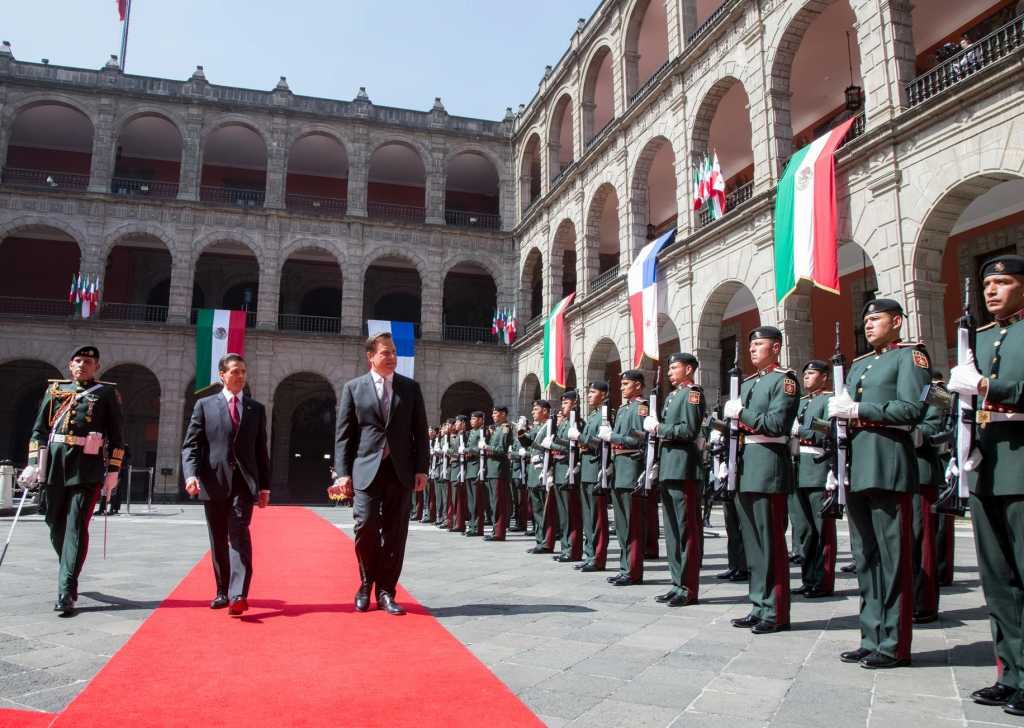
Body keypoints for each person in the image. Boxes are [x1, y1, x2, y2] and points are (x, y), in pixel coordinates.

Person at [829, 298, 931, 668]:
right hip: (856, 466)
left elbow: (910, 409)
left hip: (888, 463)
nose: (868, 325)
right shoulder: (857, 366)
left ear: (898, 322)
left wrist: (858, 410)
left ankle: (893, 643)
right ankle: (870, 634)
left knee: (893, 558)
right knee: (865, 557)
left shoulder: (910, 358)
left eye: (876, 319)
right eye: (866, 319)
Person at [947, 255, 1024, 714]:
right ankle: (1010, 672)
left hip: (1019, 466)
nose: (992, 290)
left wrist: (984, 386)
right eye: (988, 283)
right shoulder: (976, 339)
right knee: (997, 582)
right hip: (985, 468)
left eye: (1004, 282)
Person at [329, 332, 428, 616]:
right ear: (370, 356)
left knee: (396, 533)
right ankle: (365, 583)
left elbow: (419, 432)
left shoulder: (410, 388)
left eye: (394, 352)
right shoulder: (353, 388)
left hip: (400, 471)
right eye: (386, 353)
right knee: (365, 527)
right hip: (365, 470)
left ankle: (386, 591)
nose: (392, 357)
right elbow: (344, 436)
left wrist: (421, 468)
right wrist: (343, 474)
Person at [22, 345, 124, 616]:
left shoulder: (105, 394)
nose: (83, 365)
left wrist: (113, 471)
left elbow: (116, 436)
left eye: (88, 362)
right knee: (54, 522)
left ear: (97, 367)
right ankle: (69, 563)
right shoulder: (55, 391)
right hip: (55, 466)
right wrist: (33, 464)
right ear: (70, 365)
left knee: (76, 526)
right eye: (78, 361)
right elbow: (38, 431)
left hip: (87, 467)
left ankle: (67, 590)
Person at [182, 353, 271, 617]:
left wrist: (264, 487)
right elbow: (191, 445)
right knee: (218, 537)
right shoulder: (205, 406)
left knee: (239, 534)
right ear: (222, 375)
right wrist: (191, 475)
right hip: (213, 481)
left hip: (243, 484)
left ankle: (239, 594)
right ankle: (222, 590)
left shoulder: (256, 409)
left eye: (243, 371)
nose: (240, 376)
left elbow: (260, 451)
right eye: (234, 371)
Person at [724, 327, 799, 634]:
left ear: (776, 347)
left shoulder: (786, 380)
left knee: (770, 544)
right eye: (751, 344)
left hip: (769, 466)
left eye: (759, 344)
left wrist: (741, 413)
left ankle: (776, 610)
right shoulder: (748, 383)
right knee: (753, 544)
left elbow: (777, 423)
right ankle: (759, 603)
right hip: (745, 467)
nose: (753, 349)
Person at [645, 353, 705, 606]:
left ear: (688, 369)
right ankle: (677, 582)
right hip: (670, 466)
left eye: (674, 367)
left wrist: (659, 428)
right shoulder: (671, 396)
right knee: (671, 530)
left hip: (685, 467)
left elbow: (689, 430)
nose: (670, 372)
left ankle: (688, 587)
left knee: (686, 529)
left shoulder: (694, 394)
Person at [793, 360, 836, 598]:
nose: (807, 377)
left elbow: (828, 430)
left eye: (812, 373)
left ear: (824, 377)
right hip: (799, 470)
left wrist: (802, 431)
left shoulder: (828, 400)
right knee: (805, 530)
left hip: (817, 469)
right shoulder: (801, 402)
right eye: (805, 374)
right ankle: (808, 577)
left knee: (822, 530)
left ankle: (823, 580)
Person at [599, 369, 647, 586]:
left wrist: (613, 437)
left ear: (637, 385)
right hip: (619, 468)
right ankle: (624, 567)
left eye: (626, 384)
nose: (621, 387)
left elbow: (638, 440)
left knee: (632, 523)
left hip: (631, 468)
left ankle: (634, 570)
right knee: (621, 524)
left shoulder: (641, 407)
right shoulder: (622, 409)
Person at [572, 382, 611, 572]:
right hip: (587, 469)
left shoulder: (604, 416)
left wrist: (580, 438)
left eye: (593, 392)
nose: (589, 395)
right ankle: (589, 555)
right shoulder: (593, 415)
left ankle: (598, 557)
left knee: (597, 517)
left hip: (596, 468)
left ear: (603, 394)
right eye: (588, 392)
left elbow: (601, 443)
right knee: (588, 516)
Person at [549, 391, 583, 563]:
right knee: (563, 514)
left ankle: (573, 549)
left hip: (570, 470)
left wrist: (552, 444)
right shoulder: (563, 423)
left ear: (574, 404)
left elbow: (574, 446)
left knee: (571, 513)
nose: (562, 406)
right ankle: (565, 547)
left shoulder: (576, 422)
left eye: (566, 403)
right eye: (562, 403)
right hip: (559, 470)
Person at [518, 400, 555, 554]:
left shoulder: (550, 426)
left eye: (536, 409)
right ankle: (540, 540)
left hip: (543, 470)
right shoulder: (538, 427)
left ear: (545, 411)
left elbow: (548, 448)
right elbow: (529, 443)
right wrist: (520, 432)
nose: (532, 412)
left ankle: (547, 542)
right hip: (533, 471)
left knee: (545, 510)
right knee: (537, 510)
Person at [482, 406, 514, 541]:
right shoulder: (498, 429)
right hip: (492, 470)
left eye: (495, 413)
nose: (493, 415)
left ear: (503, 414)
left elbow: (501, 450)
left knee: (498, 502)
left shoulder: (505, 428)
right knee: (494, 502)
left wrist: (486, 446)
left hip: (499, 470)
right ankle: (496, 530)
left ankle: (499, 532)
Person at [464, 411, 487, 537]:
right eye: (471, 419)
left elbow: (482, 449)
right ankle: (472, 525)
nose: (471, 421)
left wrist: (468, 450)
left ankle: (477, 527)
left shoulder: (482, 432)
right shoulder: (472, 432)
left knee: (477, 500)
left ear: (480, 420)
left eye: (474, 419)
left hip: (477, 467)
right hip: (469, 468)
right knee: (471, 500)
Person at [96, 445, 128, 516]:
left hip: (115, 474)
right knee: (104, 491)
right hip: (107, 473)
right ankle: (102, 509)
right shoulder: (106, 454)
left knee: (113, 491)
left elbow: (119, 465)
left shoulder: (117, 452)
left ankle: (112, 509)